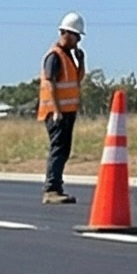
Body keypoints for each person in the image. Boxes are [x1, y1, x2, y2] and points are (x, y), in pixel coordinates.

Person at [39, 12, 87, 204]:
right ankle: (51, 189)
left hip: (67, 112)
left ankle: (56, 186)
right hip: (56, 113)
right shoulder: (54, 56)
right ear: (66, 33)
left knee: (64, 150)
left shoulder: (68, 56)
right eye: (77, 36)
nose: (78, 41)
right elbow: (51, 83)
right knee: (58, 149)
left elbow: (76, 80)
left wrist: (81, 62)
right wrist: (57, 110)